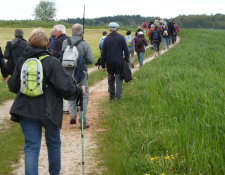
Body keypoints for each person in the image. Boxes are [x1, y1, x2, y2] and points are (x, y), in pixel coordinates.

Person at [7, 27, 85, 175]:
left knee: (31, 146)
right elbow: (66, 89)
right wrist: (79, 90)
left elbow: (13, 86)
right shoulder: (52, 62)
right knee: (54, 143)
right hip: (50, 111)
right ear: (47, 44)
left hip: (26, 111)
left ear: (30, 42)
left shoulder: (23, 60)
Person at [62, 23, 94, 128]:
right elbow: (90, 60)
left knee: (72, 93)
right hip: (81, 73)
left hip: (67, 73)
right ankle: (83, 120)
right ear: (81, 33)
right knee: (83, 95)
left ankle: (72, 115)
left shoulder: (65, 42)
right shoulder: (84, 44)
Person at [100, 22, 129, 101]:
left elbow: (103, 54)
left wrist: (103, 65)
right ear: (117, 29)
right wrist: (127, 61)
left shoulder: (106, 39)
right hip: (119, 62)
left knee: (110, 78)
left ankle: (111, 96)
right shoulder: (122, 38)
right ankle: (118, 97)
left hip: (109, 63)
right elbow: (126, 51)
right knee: (118, 80)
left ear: (109, 29)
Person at [51, 24, 70, 114]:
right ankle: (75, 106)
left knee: (63, 85)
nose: (54, 34)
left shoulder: (58, 41)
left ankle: (65, 107)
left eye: (55, 32)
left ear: (60, 32)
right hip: (71, 65)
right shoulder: (69, 39)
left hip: (61, 65)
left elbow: (54, 55)